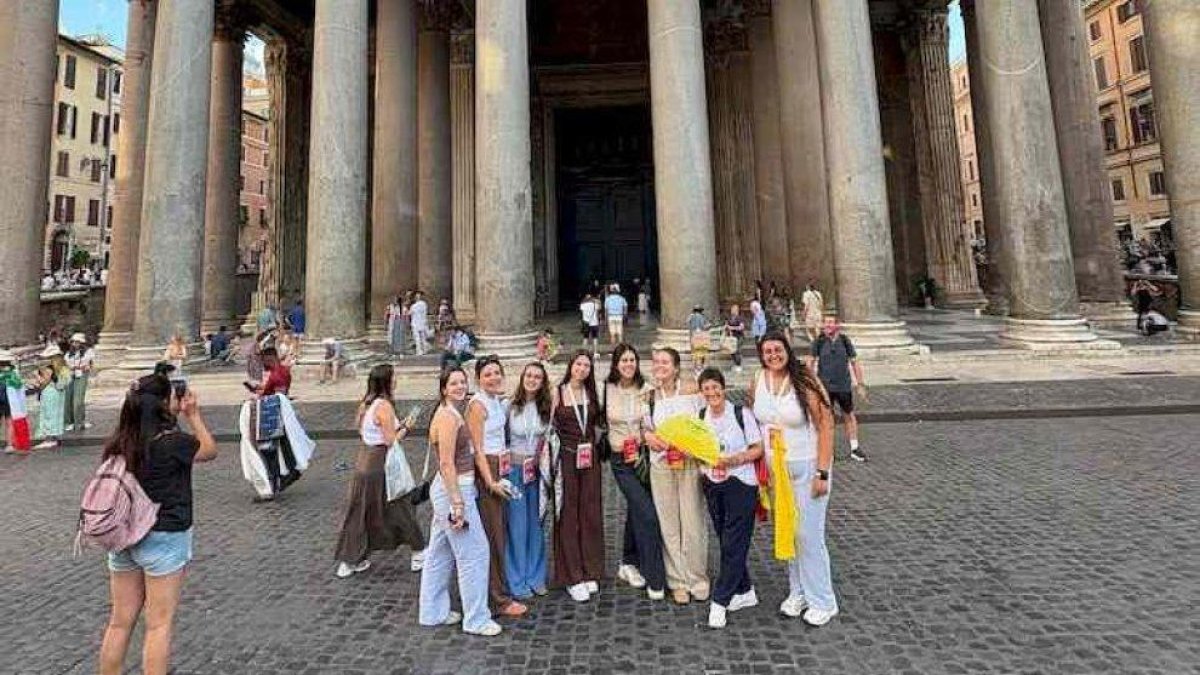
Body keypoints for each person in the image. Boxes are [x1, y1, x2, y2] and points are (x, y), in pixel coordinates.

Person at [97, 372, 217, 675]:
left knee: (120, 621)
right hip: (164, 536)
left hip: (124, 535)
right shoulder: (174, 442)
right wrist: (193, 414)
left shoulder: (120, 441)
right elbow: (209, 450)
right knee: (158, 625)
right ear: (165, 403)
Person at [748, 332, 838, 626]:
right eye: (767, 351)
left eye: (778, 349)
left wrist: (822, 472)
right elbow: (756, 423)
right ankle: (798, 592)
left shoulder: (806, 379)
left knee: (808, 535)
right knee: (789, 530)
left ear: (787, 350)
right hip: (776, 470)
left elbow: (826, 425)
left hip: (808, 465)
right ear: (761, 355)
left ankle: (822, 601)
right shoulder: (758, 380)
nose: (773, 355)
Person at [418, 367, 503, 637]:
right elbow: (446, 462)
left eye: (462, 382)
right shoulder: (447, 417)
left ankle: (432, 611)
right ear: (444, 388)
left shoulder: (452, 412)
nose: (459, 387)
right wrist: (457, 503)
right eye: (453, 383)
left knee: (440, 551)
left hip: (451, 489)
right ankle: (476, 618)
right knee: (475, 553)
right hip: (454, 491)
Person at [332, 365, 426, 578]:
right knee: (400, 506)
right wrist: (407, 427)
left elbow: (366, 432)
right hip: (380, 463)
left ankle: (351, 559)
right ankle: (419, 550)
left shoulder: (366, 404)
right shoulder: (384, 405)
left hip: (364, 462)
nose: (396, 381)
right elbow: (391, 440)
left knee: (361, 510)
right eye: (394, 377)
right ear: (387, 381)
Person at [696, 367, 764, 629]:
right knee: (726, 540)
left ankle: (720, 600)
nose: (711, 392)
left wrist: (736, 459)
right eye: (706, 388)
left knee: (734, 540)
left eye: (715, 387)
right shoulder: (700, 416)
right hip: (713, 482)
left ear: (723, 388)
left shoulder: (741, 414)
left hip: (741, 482)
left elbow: (757, 449)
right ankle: (744, 590)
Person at [642, 347, 708, 604]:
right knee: (668, 523)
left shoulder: (692, 391)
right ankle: (677, 581)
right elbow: (643, 427)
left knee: (693, 521)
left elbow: (706, 421)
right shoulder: (648, 396)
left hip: (688, 463)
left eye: (665, 362)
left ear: (676, 367)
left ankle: (697, 577)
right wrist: (647, 436)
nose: (660, 366)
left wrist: (695, 446)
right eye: (656, 361)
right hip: (662, 464)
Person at [466, 357, 528, 618]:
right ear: (478, 379)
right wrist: (489, 481)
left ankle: (498, 589)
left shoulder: (495, 400)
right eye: (487, 374)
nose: (493, 378)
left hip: (500, 465)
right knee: (493, 534)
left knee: (499, 529)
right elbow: (477, 449)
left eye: (496, 373)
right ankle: (498, 599)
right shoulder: (477, 406)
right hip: (488, 469)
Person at [603, 344, 666, 600]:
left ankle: (628, 562)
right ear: (616, 364)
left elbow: (654, 421)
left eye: (632, 360)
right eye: (624, 360)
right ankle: (655, 577)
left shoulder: (647, 389)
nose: (628, 364)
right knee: (647, 513)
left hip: (642, 458)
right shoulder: (605, 389)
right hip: (620, 459)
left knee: (637, 509)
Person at [553, 351, 605, 602]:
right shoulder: (557, 392)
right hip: (567, 458)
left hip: (589, 459)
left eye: (587, 365)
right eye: (578, 364)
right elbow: (548, 426)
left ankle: (590, 569)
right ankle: (571, 575)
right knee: (568, 514)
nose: (582, 368)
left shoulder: (592, 392)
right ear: (570, 366)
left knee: (590, 512)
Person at [505, 362, 552, 599]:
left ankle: (536, 576)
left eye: (537, 377)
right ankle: (516, 578)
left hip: (536, 472)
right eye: (529, 375)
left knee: (536, 523)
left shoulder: (547, 408)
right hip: (514, 470)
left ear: (543, 382)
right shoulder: (510, 406)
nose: (532, 380)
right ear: (523, 378)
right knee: (517, 524)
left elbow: (549, 438)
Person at [806, 317, 867, 462]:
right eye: (825, 322)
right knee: (827, 419)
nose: (827, 325)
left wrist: (860, 384)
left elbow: (854, 362)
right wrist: (810, 383)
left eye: (830, 322)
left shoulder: (845, 341)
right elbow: (810, 362)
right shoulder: (819, 341)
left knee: (848, 415)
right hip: (825, 387)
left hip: (843, 385)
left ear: (837, 325)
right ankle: (829, 450)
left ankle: (854, 448)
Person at [30, 345, 70, 450]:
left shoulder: (51, 369)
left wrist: (37, 377)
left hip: (50, 394)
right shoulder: (63, 368)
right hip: (57, 395)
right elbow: (63, 384)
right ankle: (54, 437)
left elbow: (45, 383)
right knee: (55, 415)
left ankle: (49, 439)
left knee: (48, 415)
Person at [65, 332, 96, 431]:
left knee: (78, 400)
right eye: (73, 342)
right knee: (68, 398)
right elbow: (66, 364)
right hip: (70, 375)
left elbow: (90, 364)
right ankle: (69, 421)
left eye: (77, 342)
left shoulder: (88, 352)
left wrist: (85, 367)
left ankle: (79, 422)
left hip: (81, 375)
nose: (75, 344)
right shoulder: (69, 354)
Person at [687, 306, 712, 373]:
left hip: (692, 336)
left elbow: (688, 324)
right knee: (700, 352)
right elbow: (703, 326)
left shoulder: (691, 316)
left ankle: (694, 367)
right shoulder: (702, 317)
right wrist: (709, 325)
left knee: (694, 352)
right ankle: (699, 367)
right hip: (700, 337)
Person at [723, 304, 746, 373]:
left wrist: (732, 328)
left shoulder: (740, 318)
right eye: (731, 309)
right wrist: (726, 328)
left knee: (737, 351)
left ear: (737, 310)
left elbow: (741, 327)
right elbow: (727, 325)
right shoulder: (730, 318)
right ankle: (735, 364)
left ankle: (738, 365)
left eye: (733, 309)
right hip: (731, 337)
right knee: (731, 351)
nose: (732, 311)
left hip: (739, 337)